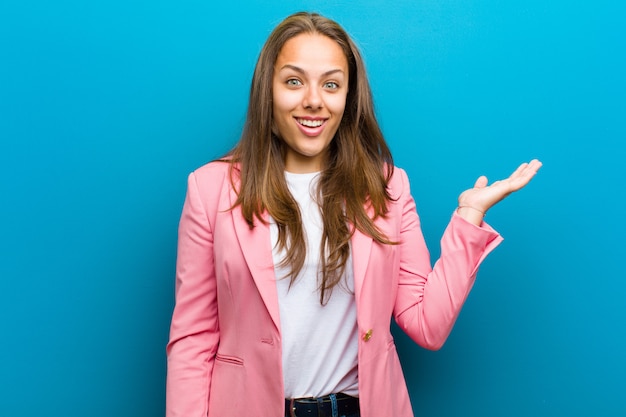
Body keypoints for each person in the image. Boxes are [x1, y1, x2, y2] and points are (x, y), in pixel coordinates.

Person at [165, 11, 542, 417]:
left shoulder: (388, 187)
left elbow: (427, 324)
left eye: (331, 84)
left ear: (348, 98)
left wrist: (469, 217)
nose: (313, 100)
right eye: (294, 81)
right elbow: (193, 338)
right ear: (268, 91)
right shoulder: (210, 188)